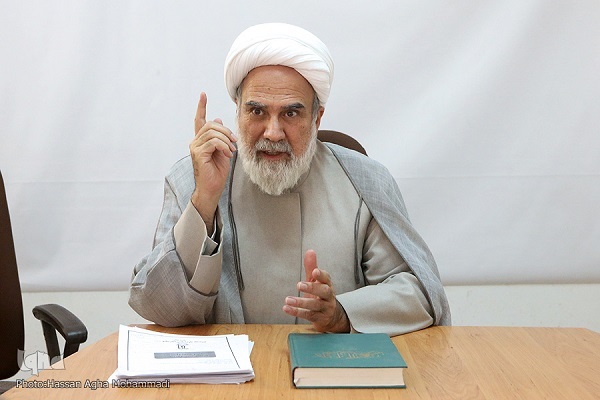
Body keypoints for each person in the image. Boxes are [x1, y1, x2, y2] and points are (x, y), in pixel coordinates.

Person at [129, 23, 451, 336]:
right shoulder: (193, 178)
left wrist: (341, 314)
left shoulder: (366, 182)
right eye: (257, 112)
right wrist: (204, 202)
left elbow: (419, 295)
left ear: (317, 117)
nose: (272, 132)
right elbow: (160, 307)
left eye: (291, 113)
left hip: (331, 370)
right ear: (238, 111)